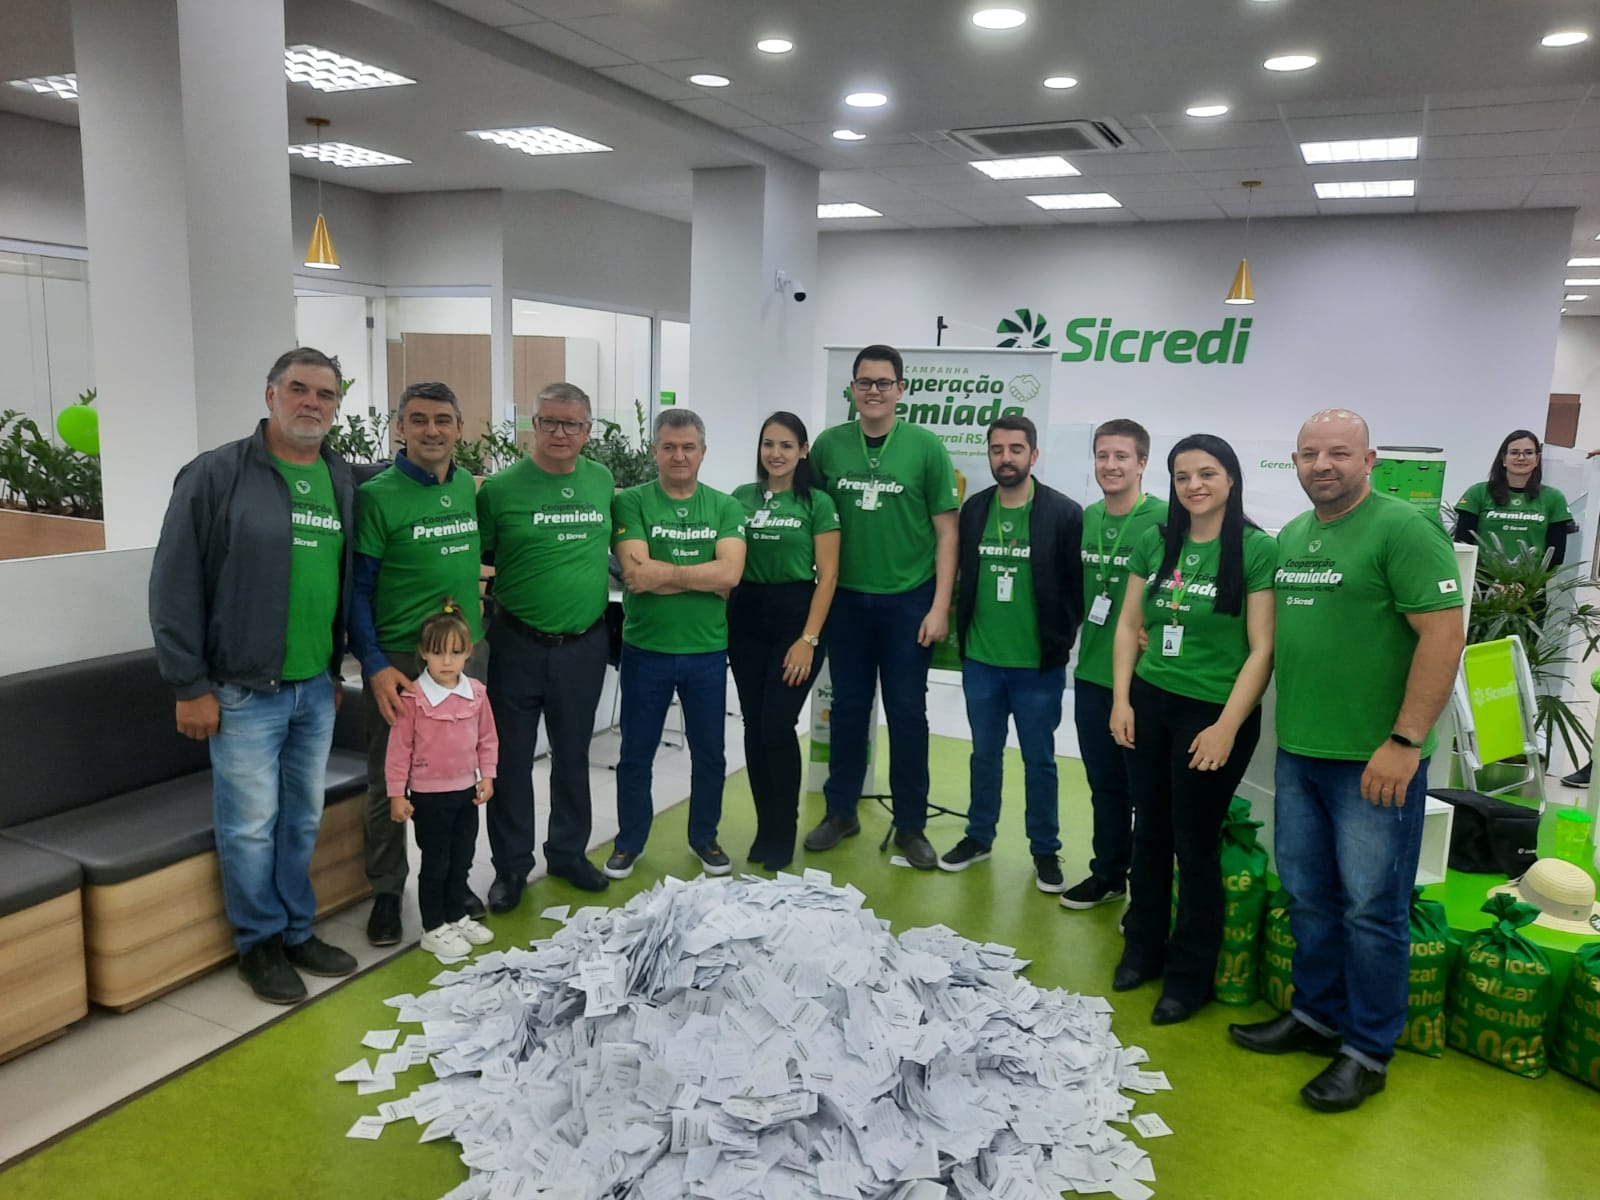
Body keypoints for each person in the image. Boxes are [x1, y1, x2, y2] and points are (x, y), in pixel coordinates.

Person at [1229, 409, 1464, 1113]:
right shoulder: (1293, 536)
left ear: (1369, 460)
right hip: (1300, 752)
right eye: (1309, 454)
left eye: (1338, 452)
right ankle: (1316, 1015)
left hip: (1375, 761)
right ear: (1294, 463)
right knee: (1309, 895)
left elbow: (1444, 636)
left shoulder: (1403, 528)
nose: (1322, 465)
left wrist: (1405, 741)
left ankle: (1366, 1051)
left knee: (1372, 911)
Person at [149, 347, 359, 1005]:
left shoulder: (340, 478)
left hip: (314, 689)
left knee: (300, 820)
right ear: (271, 395)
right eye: (298, 389)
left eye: (325, 394)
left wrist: (332, 669)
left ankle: (297, 930)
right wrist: (188, 684)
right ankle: (258, 944)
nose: (311, 403)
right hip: (241, 691)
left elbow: (336, 582)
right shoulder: (215, 475)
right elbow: (173, 584)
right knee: (249, 825)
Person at [1110, 434, 1276, 1026]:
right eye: (1182, 476)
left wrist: (1228, 725)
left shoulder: (1256, 549)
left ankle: (1189, 978)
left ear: (1230, 478)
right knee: (1149, 833)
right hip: (1150, 701)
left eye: (1206, 473)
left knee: (1195, 845)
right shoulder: (1156, 542)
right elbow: (1128, 625)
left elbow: (1262, 650)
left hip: (1212, 713)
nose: (1194, 485)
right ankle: (1142, 949)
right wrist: (1122, 700)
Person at [804, 344, 960, 869]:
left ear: (901, 390)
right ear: (851, 388)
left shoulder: (925, 447)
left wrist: (940, 606)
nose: (874, 391)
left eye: (884, 383)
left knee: (907, 712)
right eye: (865, 382)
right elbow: (810, 518)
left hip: (908, 602)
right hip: (846, 600)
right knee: (848, 708)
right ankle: (841, 811)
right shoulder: (828, 446)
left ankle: (911, 824)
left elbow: (947, 532)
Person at [350, 381, 485, 946]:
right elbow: (357, 590)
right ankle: (387, 892)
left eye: (443, 420)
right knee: (392, 778)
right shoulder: (377, 495)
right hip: (402, 663)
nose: (432, 430)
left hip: (463, 656)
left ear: (459, 428)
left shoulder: (469, 487)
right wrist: (375, 663)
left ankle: (452, 884)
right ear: (400, 427)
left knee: (457, 774)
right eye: (420, 419)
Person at [477, 382, 616, 908]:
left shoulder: (602, 480)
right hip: (518, 643)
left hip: (583, 645)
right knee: (511, 761)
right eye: (550, 422)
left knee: (573, 755)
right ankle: (511, 867)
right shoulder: (499, 490)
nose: (560, 432)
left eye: (572, 424)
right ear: (534, 425)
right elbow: (480, 557)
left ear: (587, 430)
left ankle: (567, 853)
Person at [942, 415, 1084, 890]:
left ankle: (1044, 850)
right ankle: (978, 836)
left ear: (1033, 455)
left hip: (1036, 667)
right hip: (982, 661)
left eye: (1016, 449)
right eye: (997, 449)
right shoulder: (975, 510)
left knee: (1040, 761)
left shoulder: (1064, 514)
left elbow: (1077, 589)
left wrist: (1059, 640)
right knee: (983, 754)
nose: (1006, 458)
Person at [607, 409, 747, 879]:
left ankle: (704, 838)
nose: (679, 455)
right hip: (646, 650)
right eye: (669, 447)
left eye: (688, 447)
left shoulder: (725, 506)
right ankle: (629, 842)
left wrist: (663, 574)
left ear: (703, 453)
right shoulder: (631, 502)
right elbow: (635, 575)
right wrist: (702, 578)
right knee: (636, 754)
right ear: (655, 452)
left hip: (707, 652)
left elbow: (731, 574)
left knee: (710, 754)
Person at [1063, 419, 1168, 910]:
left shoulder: (1166, 520)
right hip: (1091, 674)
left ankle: (1147, 895)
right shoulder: (1086, 518)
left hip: (1146, 679)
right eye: (1103, 455)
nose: (1110, 465)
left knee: (1147, 794)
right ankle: (1108, 875)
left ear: (1142, 463)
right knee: (1104, 785)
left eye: (1122, 456)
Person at [729, 412, 841, 871]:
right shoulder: (740, 497)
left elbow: (828, 576)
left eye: (786, 445)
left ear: (803, 451)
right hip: (746, 617)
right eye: (768, 444)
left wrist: (808, 639)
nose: (775, 453)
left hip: (796, 618)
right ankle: (764, 827)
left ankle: (783, 829)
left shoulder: (817, 502)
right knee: (754, 726)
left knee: (777, 724)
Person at [386, 603, 499, 961]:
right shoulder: (413, 699)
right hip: (429, 797)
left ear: (468, 653)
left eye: (455, 652)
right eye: (437, 652)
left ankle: (456, 915)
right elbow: (398, 751)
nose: (446, 661)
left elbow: (488, 739)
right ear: (423, 653)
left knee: (462, 858)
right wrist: (396, 794)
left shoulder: (477, 693)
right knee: (436, 863)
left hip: (466, 792)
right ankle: (433, 927)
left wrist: (488, 775)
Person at [1452, 429, 1576, 566]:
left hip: (1532, 578)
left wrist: (1527, 578)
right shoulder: (1477, 492)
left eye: (1528, 453)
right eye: (1514, 452)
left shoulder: (1554, 498)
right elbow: (1462, 545)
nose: (1521, 458)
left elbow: (1556, 555)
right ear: (1503, 458)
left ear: (1537, 459)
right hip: (1481, 577)